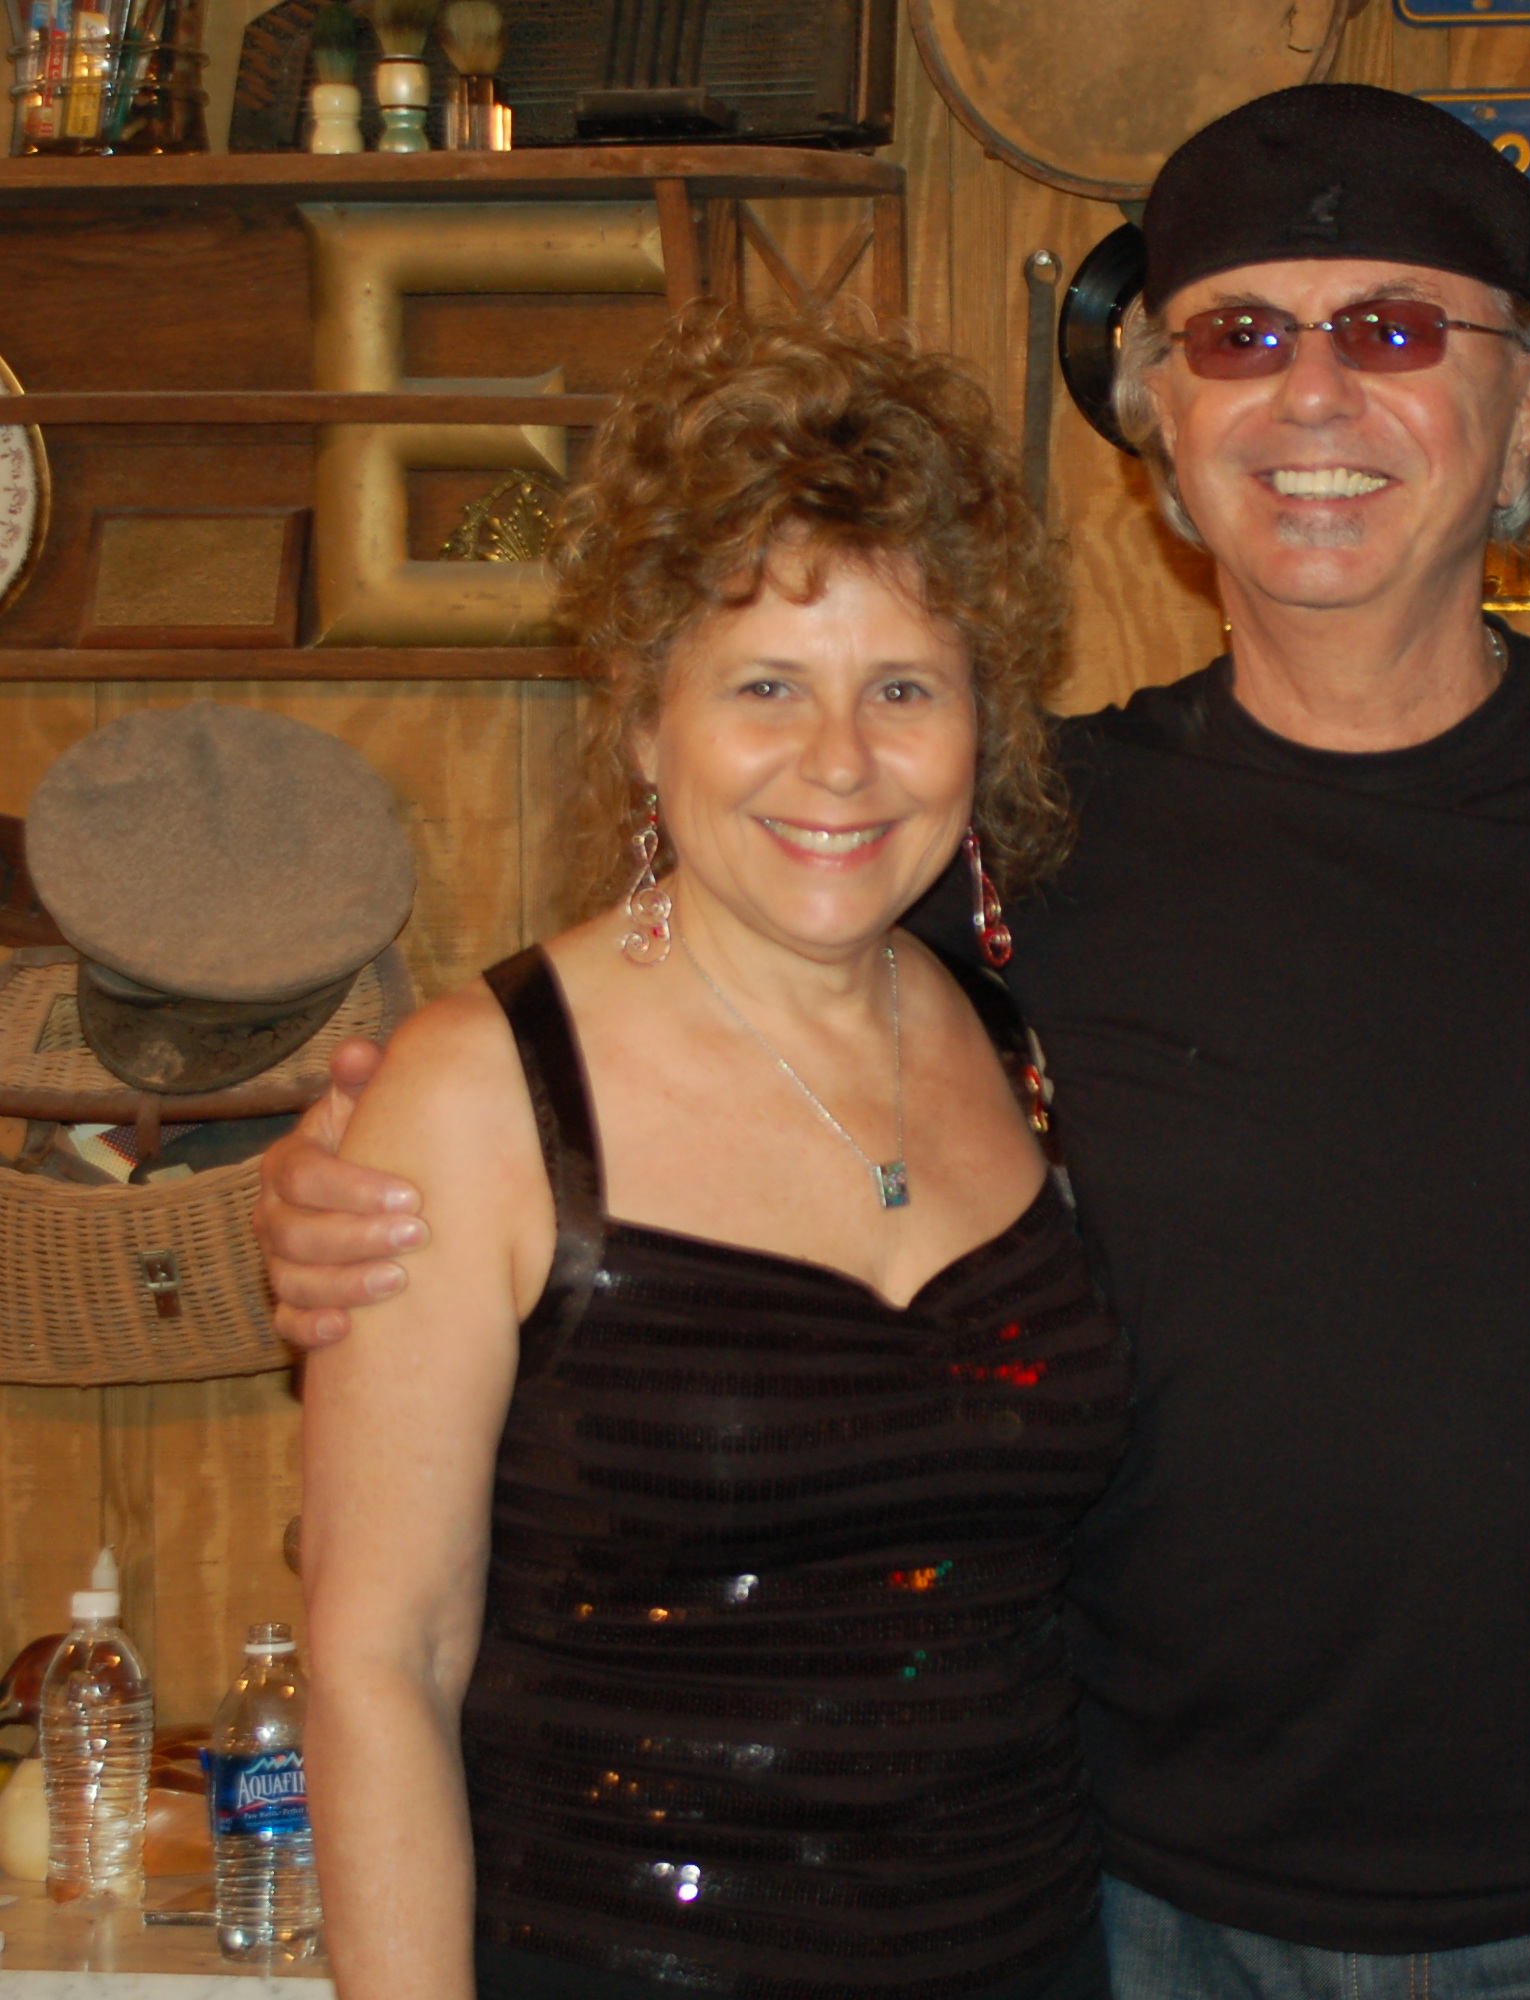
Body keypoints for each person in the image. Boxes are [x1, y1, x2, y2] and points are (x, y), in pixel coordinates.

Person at [265, 86, 1530, 1998]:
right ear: (1161, 425)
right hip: (1145, 1906)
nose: (1314, 395)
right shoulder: (1006, 867)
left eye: (1398, 328)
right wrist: (366, 1174)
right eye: (1241, 336)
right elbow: (659, 1025)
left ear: (1529, 410)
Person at [298, 306, 1127, 2000]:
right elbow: (381, 1660)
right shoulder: (478, 1096)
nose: (840, 760)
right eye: (766, 685)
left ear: (983, 726)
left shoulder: (1017, 1047)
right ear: (644, 723)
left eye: (904, 686)